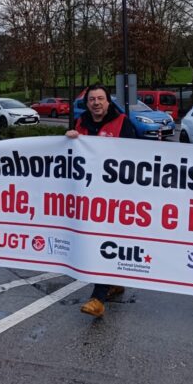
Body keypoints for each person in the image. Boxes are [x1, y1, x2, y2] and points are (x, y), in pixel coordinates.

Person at [66, 84, 137, 318]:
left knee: (104, 240)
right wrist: (69, 139)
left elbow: (138, 155)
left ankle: (98, 297)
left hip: (114, 194)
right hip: (87, 193)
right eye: (92, 100)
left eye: (100, 99)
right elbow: (69, 153)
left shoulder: (122, 122)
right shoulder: (80, 123)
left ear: (108, 102)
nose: (96, 103)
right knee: (95, 238)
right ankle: (112, 283)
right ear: (87, 104)